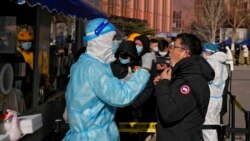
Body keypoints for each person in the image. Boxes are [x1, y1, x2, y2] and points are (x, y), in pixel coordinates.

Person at [62, 18, 155, 141]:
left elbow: (99, 91)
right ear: (100, 41)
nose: (115, 43)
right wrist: (144, 70)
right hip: (94, 137)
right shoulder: (95, 68)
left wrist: (126, 80)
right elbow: (120, 96)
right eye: (111, 39)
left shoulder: (83, 63)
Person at [153, 33, 215, 141]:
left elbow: (169, 113)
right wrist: (164, 84)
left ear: (186, 53)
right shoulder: (181, 75)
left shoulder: (194, 81)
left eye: (174, 46)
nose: (170, 50)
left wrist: (163, 85)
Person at [201, 43, 229, 141]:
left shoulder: (209, 63)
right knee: (215, 124)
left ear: (206, 51)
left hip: (210, 99)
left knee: (208, 128)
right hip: (219, 98)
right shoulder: (223, 65)